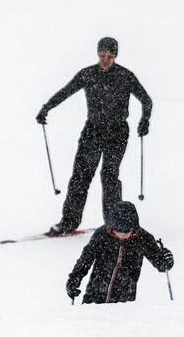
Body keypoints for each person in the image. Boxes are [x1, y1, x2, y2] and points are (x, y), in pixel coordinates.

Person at [37, 37, 153, 237]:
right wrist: (46, 108)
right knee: (81, 176)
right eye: (102, 55)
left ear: (115, 56)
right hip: (93, 131)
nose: (105, 60)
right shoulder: (88, 74)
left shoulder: (125, 76)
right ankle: (69, 221)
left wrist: (144, 121)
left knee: (109, 176)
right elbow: (66, 91)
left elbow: (146, 100)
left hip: (117, 132)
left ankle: (114, 223)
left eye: (109, 56)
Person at [65, 202, 174, 304]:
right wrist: (75, 278)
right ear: (111, 226)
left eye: (126, 231)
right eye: (118, 230)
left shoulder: (143, 238)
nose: (122, 235)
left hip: (124, 300)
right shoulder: (102, 235)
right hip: (95, 296)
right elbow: (85, 259)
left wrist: (165, 260)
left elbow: (160, 263)